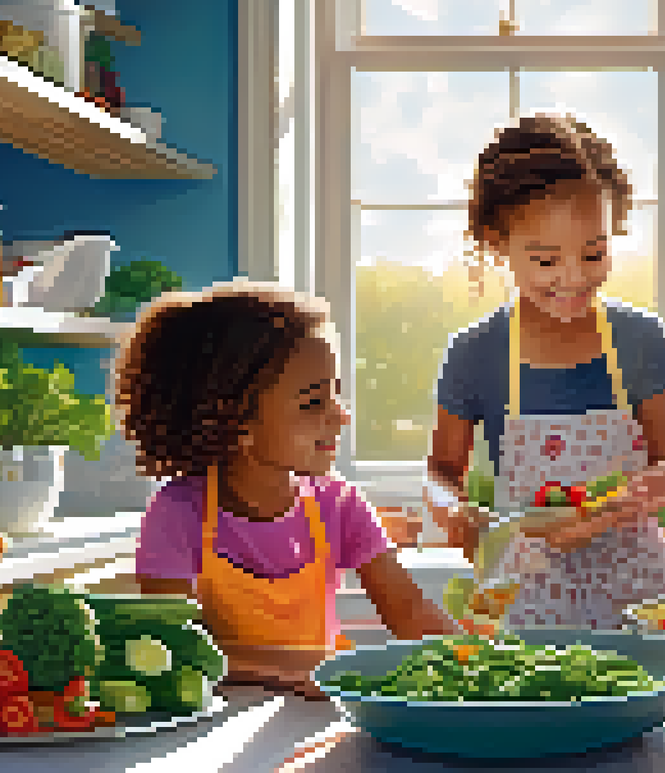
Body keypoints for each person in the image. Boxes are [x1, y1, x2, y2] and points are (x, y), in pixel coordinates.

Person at [121, 281, 460, 699]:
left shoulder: (340, 504)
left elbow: (411, 613)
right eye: (313, 403)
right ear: (238, 423)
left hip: (318, 712)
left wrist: (483, 667)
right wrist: (285, 669)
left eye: (336, 393)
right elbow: (175, 644)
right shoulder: (177, 513)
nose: (341, 415)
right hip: (216, 720)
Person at [423, 113, 665, 630]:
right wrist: (459, 517)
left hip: (638, 587)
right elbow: (441, 472)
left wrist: (646, 490)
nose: (573, 278)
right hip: (527, 591)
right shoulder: (474, 353)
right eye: (546, 261)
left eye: (594, 254)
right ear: (497, 241)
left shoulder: (641, 338)